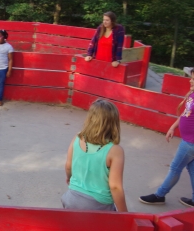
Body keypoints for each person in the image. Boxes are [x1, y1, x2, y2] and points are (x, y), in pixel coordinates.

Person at [139, 69, 194, 208]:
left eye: (193, 79)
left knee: (175, 168)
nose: (190, 80)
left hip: (190, 143)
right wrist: (173, 127)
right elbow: (185, 114)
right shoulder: (192, 95)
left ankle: (159, 195)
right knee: (191, 168)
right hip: (188, 140)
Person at [62, 99, 128, 212]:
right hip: (97, 206)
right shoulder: (115, 150)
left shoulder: (77, 138)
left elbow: (68, 166)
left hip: (71, 199)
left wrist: (69, 177)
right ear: (114, 123)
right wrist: (125, 214)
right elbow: (115, 187)